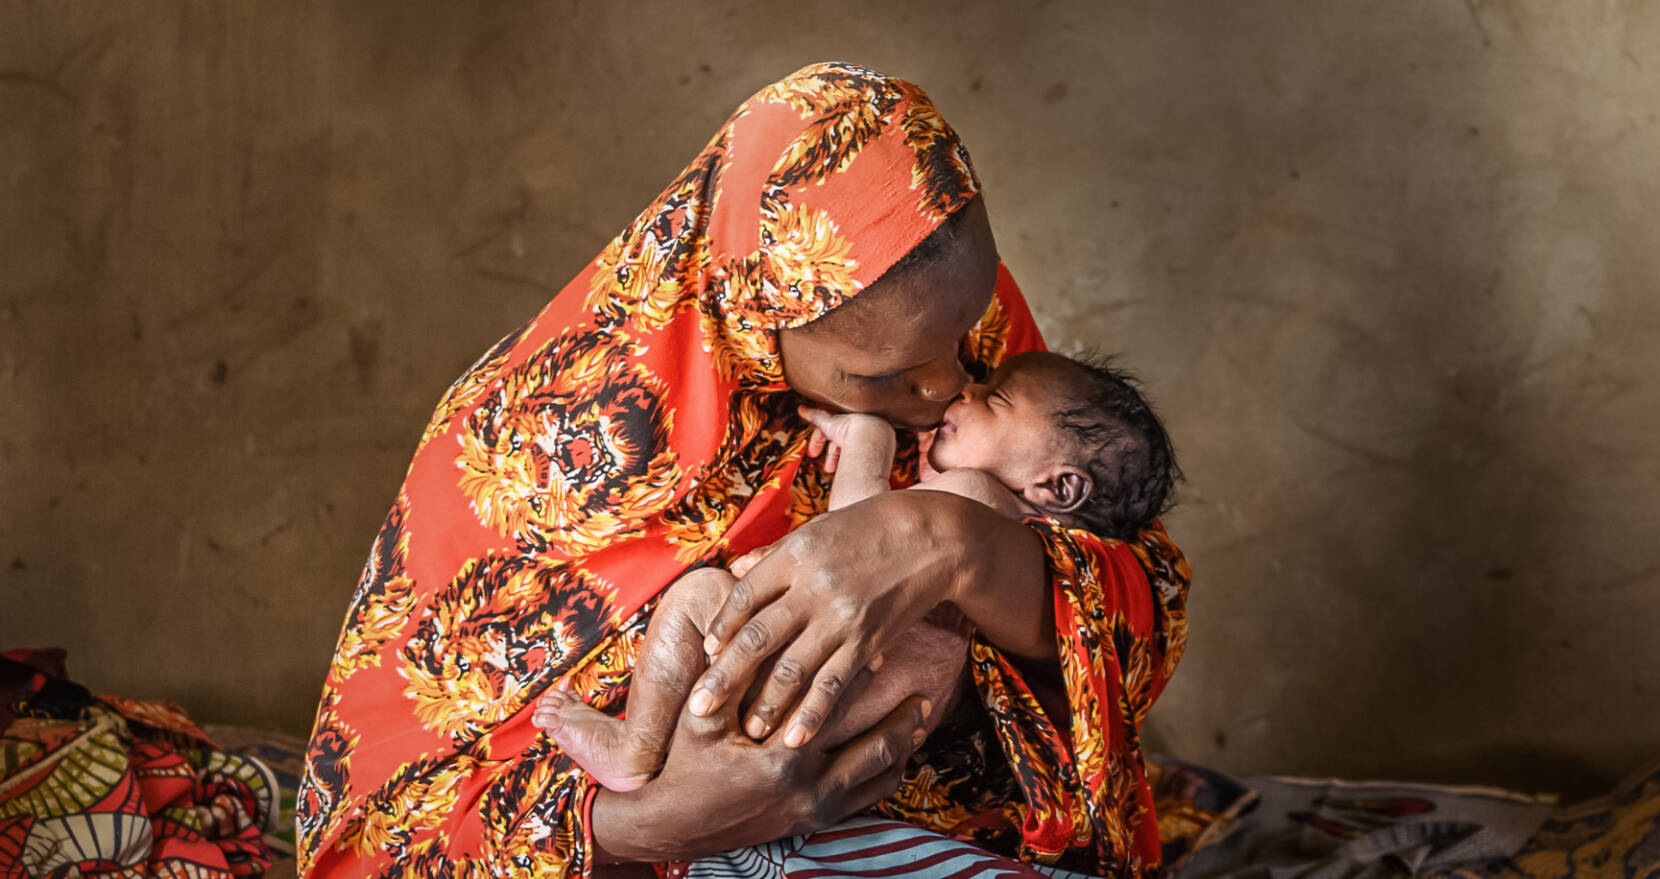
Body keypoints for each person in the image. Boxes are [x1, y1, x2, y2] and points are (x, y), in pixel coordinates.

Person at [296, 62, 1190, 879]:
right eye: (883, 376)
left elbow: (1135, 599)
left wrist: (950, 541)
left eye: (963, 339)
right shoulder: (525, 439)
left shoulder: (960, 328)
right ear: (753, 310)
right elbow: (368, 840)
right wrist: (650, 825)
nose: (948, 382)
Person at [532, 349, 1179, 792]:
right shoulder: (1019, 545)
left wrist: (870, 435)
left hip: (828, 691)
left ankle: (635, 750)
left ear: (1058, 486)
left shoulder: (978, 499)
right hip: (848, 720)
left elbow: (856, 535)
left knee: (698, 594)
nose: (966, 387)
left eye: (997, 398)